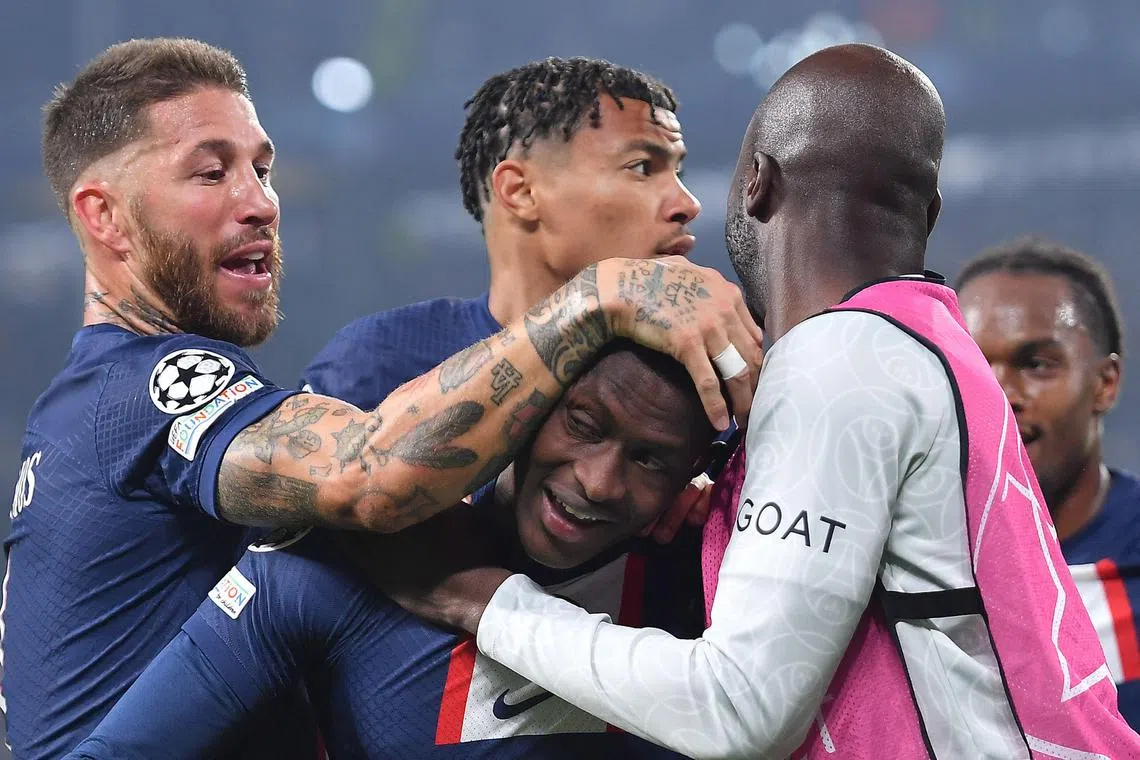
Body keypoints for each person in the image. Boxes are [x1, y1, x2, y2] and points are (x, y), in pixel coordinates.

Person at [1, 39, 761, 759]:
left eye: (262, 170)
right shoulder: (151, 385)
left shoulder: (95, 401)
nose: (261, 202)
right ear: (102, 215)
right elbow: (372, 478)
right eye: (211, 174)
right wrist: (602, 293)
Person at [380, 44, 1140, 759]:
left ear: (755, 183)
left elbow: (738, 707)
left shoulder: (839, 357)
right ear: (928, 213)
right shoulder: (932, 344)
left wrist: (486, 601)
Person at [66, 341, 717, 759]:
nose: (599, 481)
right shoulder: (331, 563)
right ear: (527, 406)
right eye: (582, 424)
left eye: (650, 460)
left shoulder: (713, 585)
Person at [301, 56, 712, 542]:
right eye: (642, 167)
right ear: (521, 191)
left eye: (678, 171)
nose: (688, 204)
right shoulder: (380, 359)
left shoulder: (700, 379)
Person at [957, 237, 1140, 728]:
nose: (998, 395)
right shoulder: (894, 561)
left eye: (1035, 365)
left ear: (1105, 383)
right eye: (971, 365)